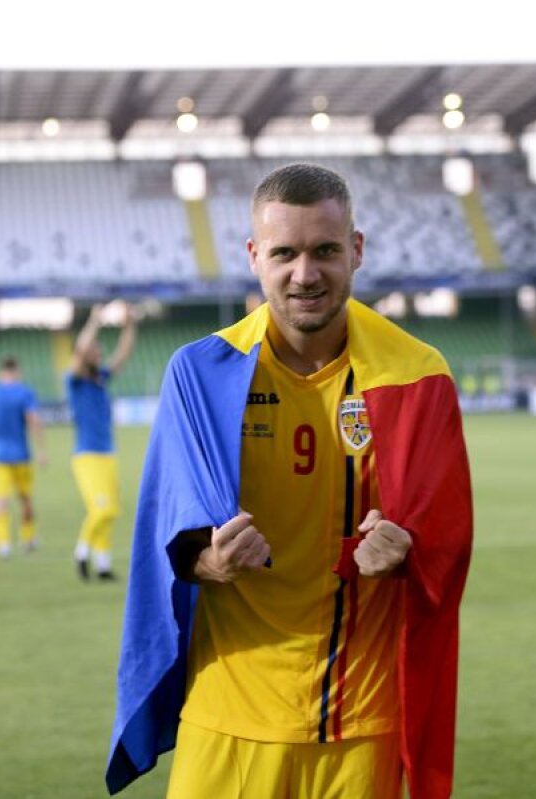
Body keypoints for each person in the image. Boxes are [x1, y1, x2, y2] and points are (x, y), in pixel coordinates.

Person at [108, 164, 473, 799]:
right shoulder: (200, 372)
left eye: (325, 250)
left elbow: (449, 549)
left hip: (363, 727)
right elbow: (165, 548)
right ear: (255, 257)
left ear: (355, 250)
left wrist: (407, 552)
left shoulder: (418, 375)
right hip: (230, 717)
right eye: (285, 253)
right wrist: (211, 561)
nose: (306, 274)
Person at [67, 303, 137, 580]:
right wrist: (94, 321)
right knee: (102, 509)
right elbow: (81, 349)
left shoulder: (99, 380)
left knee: (112, 511)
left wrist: (129, 324)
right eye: (95, 349)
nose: (99, 352)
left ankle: (103, 565)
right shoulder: (74, 381)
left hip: (107, 454)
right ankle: (81, 553)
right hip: (87, 455)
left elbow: (124, 352)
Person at [0, 357, 46, 560]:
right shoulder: (25, 392)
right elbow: (34, 421)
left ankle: (3, 544)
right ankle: (28, 539)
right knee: (25, 499)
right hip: (21, 454)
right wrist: (41, 450)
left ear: (0, 372)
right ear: (17, 371)